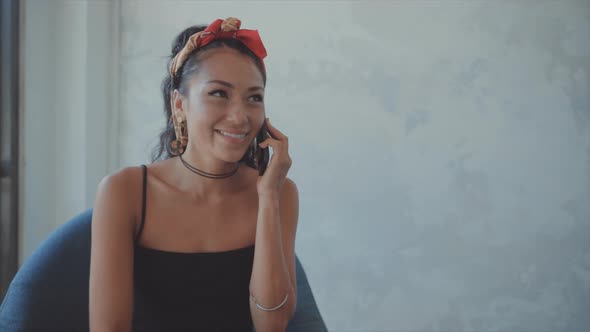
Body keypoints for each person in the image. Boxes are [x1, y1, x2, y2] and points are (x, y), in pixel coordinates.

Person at [89, 17, 298, 332]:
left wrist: (268, 196)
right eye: (218, 93)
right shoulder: (125, 192)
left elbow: (272, 324)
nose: (241, 117)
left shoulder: (280, 192)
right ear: (179, 105)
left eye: (254, 97)